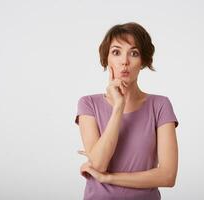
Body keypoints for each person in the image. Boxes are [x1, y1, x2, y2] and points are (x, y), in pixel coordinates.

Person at [74, 22, 179, 200]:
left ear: (143, 61)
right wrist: (118, 107)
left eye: (134, 53)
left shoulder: (160, 105)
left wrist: (109, 178)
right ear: (106, 59)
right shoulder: (88, 104)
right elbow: (99, 164)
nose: (125, 61)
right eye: (116, 52)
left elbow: (168, 176)